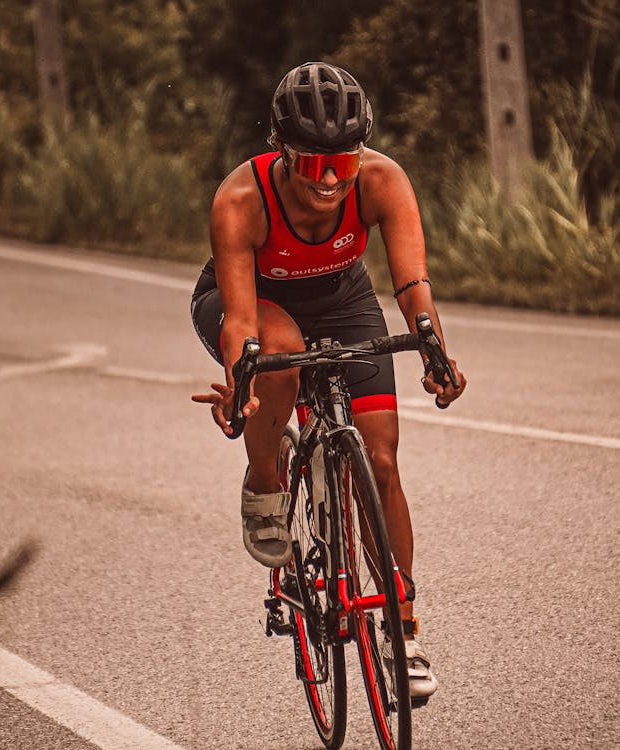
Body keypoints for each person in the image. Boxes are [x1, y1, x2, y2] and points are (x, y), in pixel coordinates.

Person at [190, 61, 466, 701]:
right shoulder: (241, 200)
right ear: (280, 153)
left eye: (342, 165)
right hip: (255, 303)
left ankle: (404, 628)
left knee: (382, 459)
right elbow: (238, 323)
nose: (330, 181)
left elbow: (411, 284)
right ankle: (265, 478)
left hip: (343, 302)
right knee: (278, 351)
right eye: (314, 166)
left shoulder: (381, 179)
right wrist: (242, 383)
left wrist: (434, 350)